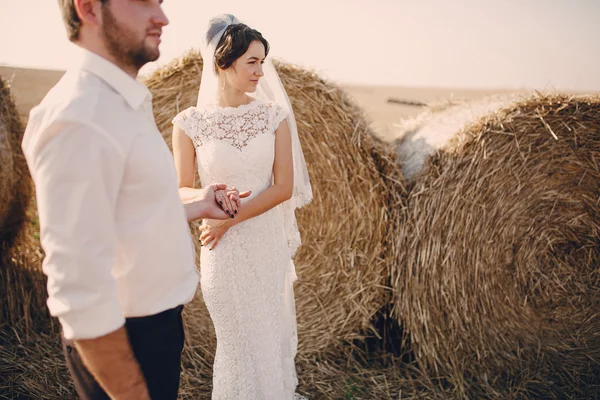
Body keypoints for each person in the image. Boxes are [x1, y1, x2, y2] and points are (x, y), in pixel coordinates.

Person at [21, 1, 246, 399]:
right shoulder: (81, 116)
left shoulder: (117, 104)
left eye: (159, 2)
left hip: (154, 331)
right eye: (143, 2)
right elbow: (79, 290)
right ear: (89, 8)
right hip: (127, 341)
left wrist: (199, 205)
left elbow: (127, 215)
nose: (162, 17)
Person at [171, 14, 313, 399]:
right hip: (221, 252)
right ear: (223, 62)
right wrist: (208, 200)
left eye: (262, 62)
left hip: (263, 244)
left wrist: (229, 220)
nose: (260, 72)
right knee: (235, 345)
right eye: (252, 62)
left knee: (264, 342)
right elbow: (180, 188)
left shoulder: (274, 116)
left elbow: (283, 186)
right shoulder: (188, 123)